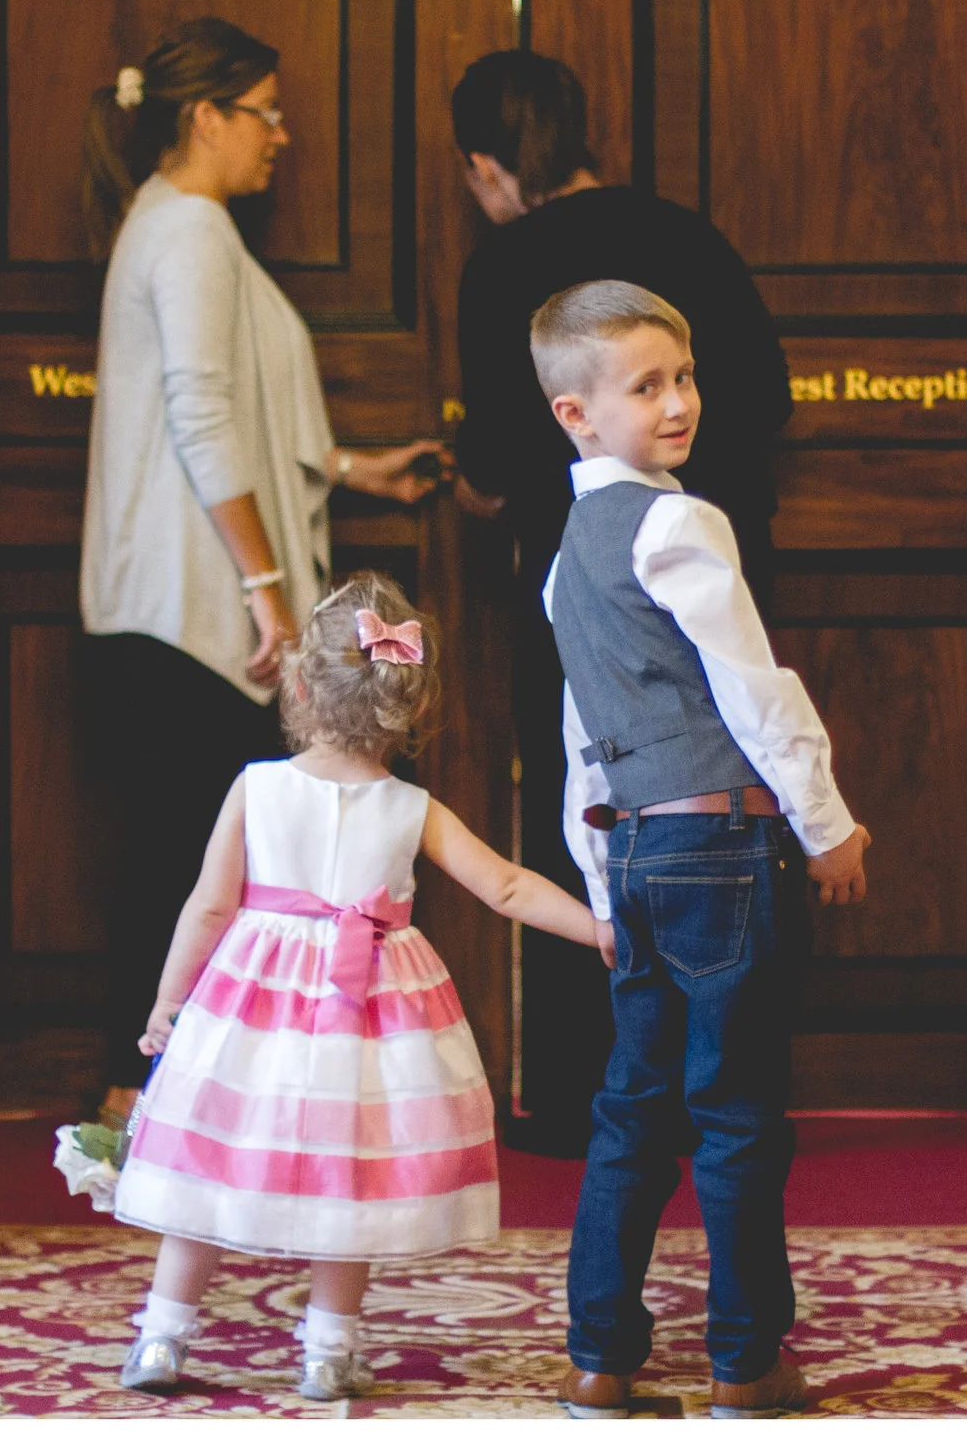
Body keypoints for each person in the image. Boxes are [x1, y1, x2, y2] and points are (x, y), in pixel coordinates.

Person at [109, 573, 602, 1402]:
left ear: (299, 684)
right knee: (354, 1176)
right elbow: (509, 888)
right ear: (408, 701)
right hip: (370, 1021)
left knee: (207, 1166)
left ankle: (162, 1339)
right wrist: (604, 930)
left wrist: (169, 1000)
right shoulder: (412, 806)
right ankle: (328, 1352)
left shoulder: (257, 788)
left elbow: (209, 907)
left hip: (252, 1014)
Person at [81, 19, 441, 1125]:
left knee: (198, 863)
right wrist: (268, 592)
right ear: (206, 118)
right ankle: (147, 1103)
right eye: (266, 113)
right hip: (191, 613)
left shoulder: (182, 226)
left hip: (181, 604)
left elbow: (232, 403)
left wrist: (349, 470)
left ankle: (171, 1100)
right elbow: (202, 416)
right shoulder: (187, 228)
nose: (279, 136)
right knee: (189, 869)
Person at [527, 282, 868, 1420]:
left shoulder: (565, 560)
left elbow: (584, 744)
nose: (678, 403)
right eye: (645, 386)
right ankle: (744, 1363)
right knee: (735, 1113)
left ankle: (600, 1357)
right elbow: (755, 688)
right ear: (576, 415)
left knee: (629, 1111)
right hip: (724, 848)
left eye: (683, 377)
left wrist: (600, 887)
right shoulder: (680, 523)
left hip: (631, 854)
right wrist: (826, 826)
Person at [449, 49, 793, 1155]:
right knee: (736, 788)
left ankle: (583, 1093)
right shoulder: (688, 239)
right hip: (717, 561)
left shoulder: (505, 264)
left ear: (490, 168)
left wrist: (463, 481)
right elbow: (772, 395)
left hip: (584, 583)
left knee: (589, 803)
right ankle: (734, 1081)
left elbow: (502, 456)